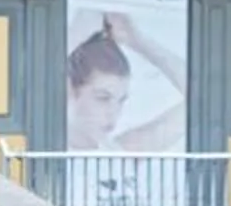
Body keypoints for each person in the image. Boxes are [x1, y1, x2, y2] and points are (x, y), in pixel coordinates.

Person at [66, 11, 186, 156]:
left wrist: (136, 40)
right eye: (103, 98)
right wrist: (73, 38)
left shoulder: (121, 152)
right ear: (71, 90)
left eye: (121, 101)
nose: (113, 113)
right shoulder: (41, 143)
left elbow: (204, 97)